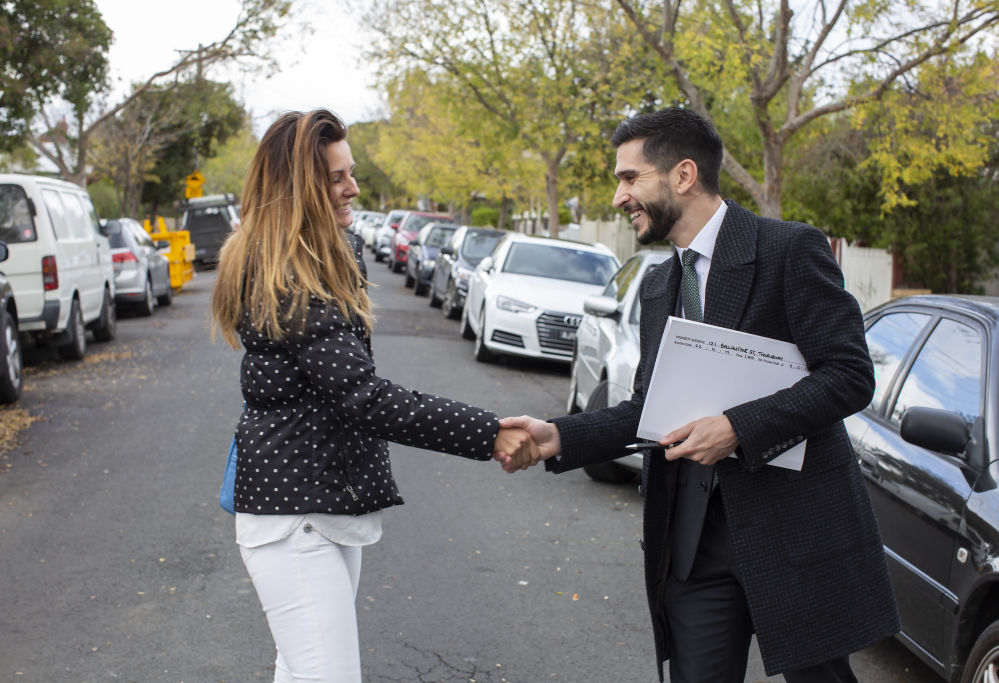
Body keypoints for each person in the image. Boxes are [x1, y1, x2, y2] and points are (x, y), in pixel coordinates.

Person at [499, 107, 899, 683]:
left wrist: (738, 425)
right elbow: (648, 409)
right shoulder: (660, 285)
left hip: (793, 536)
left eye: (630, 178)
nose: (619, 197)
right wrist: (559, 435)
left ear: (683, 176)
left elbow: (849, 374)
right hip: (692, 545)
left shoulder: (789, 250)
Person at [211, 109, 538, 683]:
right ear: (300, 186)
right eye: (336, 177)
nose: (352, 188)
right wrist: (488, 432)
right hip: (295, 518)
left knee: (300, 671)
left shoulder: (329, 254)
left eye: (350, 172)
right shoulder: (290, 273)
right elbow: (366, 398)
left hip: (323, 504)